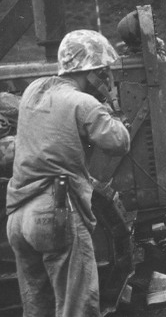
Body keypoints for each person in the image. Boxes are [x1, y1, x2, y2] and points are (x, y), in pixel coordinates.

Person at [6, 29, 131, 317]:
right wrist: (109, 103)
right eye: (105, 73)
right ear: (93, 72)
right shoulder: (83, 103)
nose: (108, 79)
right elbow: (119, 142)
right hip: (56, 212)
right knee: (77, 307)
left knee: (37, 308)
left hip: (18, 217)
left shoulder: (33, 91)